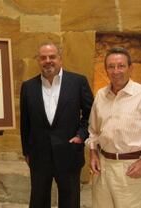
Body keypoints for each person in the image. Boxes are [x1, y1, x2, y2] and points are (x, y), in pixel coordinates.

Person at [86, 47, 141, 208]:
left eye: (121, 66)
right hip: (103, 168)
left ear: (130, 68)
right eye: (111, 66)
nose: (116, 71)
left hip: (131, 169)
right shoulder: (101, 95)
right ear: (106, 70)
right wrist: (93, 153)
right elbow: (93, 130)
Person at [20, 42, 93, 208]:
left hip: (69, 152)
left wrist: (81, 135)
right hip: (39, 155)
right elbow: (25, 123)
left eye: (52, 57)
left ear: (60, 59)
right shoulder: (28, 87)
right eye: (43, 57)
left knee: (70, 201)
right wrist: (26, 150)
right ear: (38, 61)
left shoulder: (78, 82)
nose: (47, 61)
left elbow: (91, 113)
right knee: (38, 200)